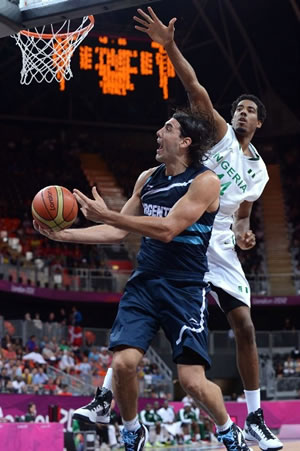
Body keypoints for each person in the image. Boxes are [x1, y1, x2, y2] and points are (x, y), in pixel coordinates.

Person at [34, 105, 250, 451]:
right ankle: (132, 429)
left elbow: (168, 229)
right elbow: (115, 233)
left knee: (192, 382)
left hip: (185, 289)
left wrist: (110, 215)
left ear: (185, 142)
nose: (158, 134)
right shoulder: (148, 178)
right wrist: (64, 236)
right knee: (123, 363)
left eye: (167, 128)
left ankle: (226, 428)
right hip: (145, 284)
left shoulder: (206, 181)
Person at [131, 6, 282, 451]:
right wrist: (171, 46)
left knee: (246, 326)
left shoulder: (259, 173)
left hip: (220, 244)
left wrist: (243, 231)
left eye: (250, 110)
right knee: (151, 295)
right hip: (189, 231)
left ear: (259, 123)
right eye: (238, 107)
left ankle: (254, 416)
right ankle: (109, 391)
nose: (242, 112)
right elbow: (195, 87)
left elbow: (242, 214)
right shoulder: (217, 134)